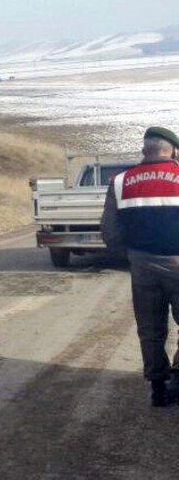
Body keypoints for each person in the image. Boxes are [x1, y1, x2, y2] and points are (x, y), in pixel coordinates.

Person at [102, 126, 179, 407]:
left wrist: (131, 257)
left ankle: (158, 389)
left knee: (150, 329)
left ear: (145, 150)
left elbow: (109, 231)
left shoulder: (120, 181)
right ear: (173, 150)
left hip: (142, 264)